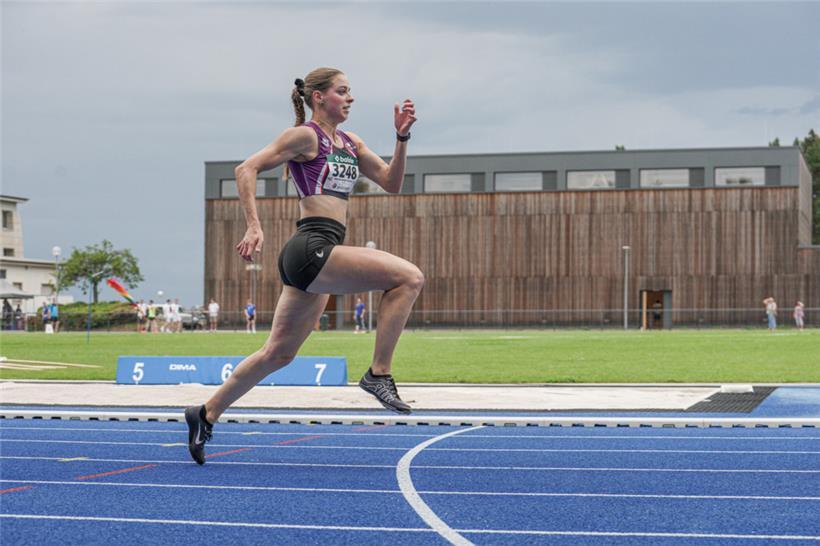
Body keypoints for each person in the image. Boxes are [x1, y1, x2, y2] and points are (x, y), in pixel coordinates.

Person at [185, 67, 421, 464]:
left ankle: (205, 413)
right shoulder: (304, 136)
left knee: (277, 354)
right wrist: (254, 225)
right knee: (408, 277)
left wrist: (401, 138)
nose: (350, 98)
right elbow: (246, 169)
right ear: (318, 97)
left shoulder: (350, 142)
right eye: (342, 91)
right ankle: (378, 374)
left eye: (351, 92)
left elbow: (391, 182)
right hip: (310, 245)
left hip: (322, 251)